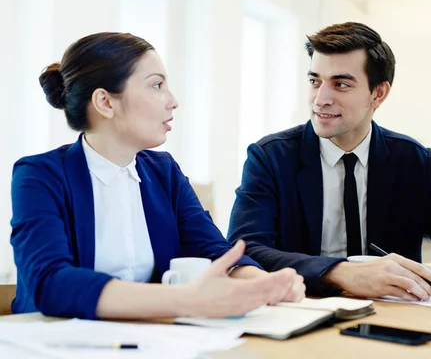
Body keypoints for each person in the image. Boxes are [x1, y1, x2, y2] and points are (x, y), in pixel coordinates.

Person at [10, 32, 305, 320]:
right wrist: (188, 300)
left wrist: (261, 283)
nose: (172, 101)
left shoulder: (164, 172)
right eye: (157, 85)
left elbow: (212, 249)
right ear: (105, 103)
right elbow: (51, 283)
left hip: (149, 341)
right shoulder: (39, 175)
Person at [228, 22, 431, 301]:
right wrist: (340, 273)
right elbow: (245, 249)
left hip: (394, 318)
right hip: (302, 308)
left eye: (340, 84)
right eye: (315, 81)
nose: (321, 99)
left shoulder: (413, 160)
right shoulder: (270, 157)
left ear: (379, 93)